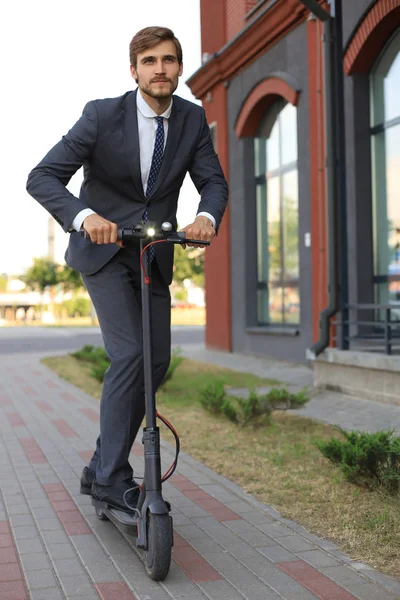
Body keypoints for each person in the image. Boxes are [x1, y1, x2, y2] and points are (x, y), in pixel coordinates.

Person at [26, 26, 228, 513]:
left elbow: (214, 184)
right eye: (151, 61)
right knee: (132, 353)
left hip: (152, 252)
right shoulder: (101, 115)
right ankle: (113, 477)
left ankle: (100, 462)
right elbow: (42, 176)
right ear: (134, 70)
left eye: (170, 60)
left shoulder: (192, 120)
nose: (161, 69)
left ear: (180, 68)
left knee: (155, 362)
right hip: (103, 253)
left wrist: (205, 216)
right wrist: (84, 217)